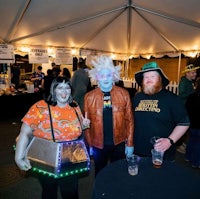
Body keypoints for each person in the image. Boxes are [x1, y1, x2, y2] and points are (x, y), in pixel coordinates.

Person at [15, 76, 90, 199]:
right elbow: (25, 132)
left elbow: (75, 129)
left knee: (71, 193)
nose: (64, 92)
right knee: (49, 191)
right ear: (53, 90)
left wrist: (84, 125)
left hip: (71, 155)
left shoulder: (74, 106)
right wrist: (19, 157)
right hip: (47, 154)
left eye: (67, 88)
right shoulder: (41, 107)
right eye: (60, 88)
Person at [84, 55, 134, 175]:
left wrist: (130, 143)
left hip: (119, 144)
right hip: (98, 145)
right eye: (102, 75)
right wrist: (89, 145)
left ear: (114, 76)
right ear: (97, 77)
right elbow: (86, 124)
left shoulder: (124, 94)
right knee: (100, 173)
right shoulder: (89, 97)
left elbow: (130, 121)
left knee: (118, 174)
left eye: (108, 75)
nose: (105, 78)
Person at [133, 61, 190, 161]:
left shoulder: (172, 99)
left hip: (162, 154)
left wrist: (170, 141)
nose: (148, 79)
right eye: (145, 77)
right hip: (138, 152)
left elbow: (184, 123)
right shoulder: (137, 98)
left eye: (152, 76)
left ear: (160, 79)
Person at [177, 64, 200, 153]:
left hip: (190, 107)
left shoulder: (190, 82)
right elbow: (181, 95)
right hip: (185, 108)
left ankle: (185, 145)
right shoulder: (184, 82)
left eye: (195, 72)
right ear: (187, 74)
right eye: (193, 72)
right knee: (186, 126)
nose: (195, 74)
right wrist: (193, 93)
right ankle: (181, 145)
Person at [185, 77, 200, 168]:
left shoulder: (191, 96)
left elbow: (187, 109)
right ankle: (196, 162)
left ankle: (188, 156)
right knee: (198, 143)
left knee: (191, 140)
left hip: (192, 123)